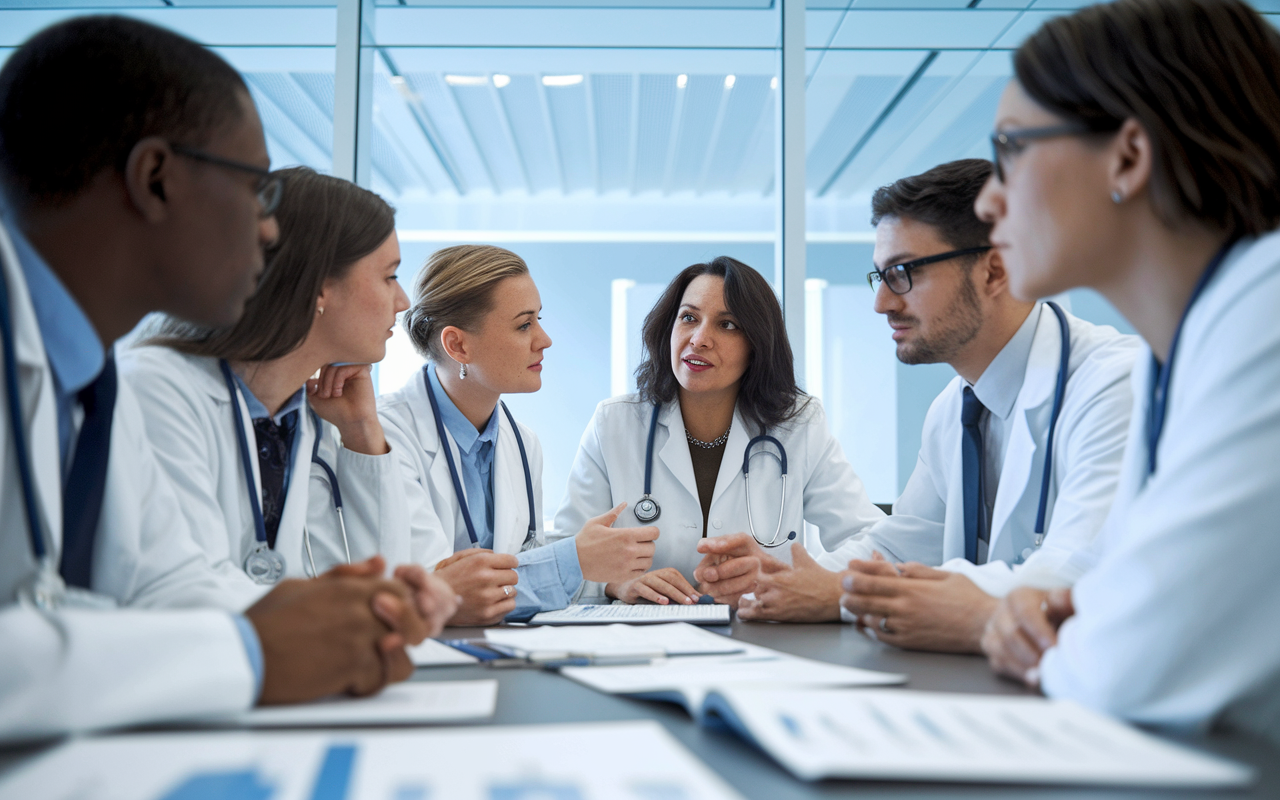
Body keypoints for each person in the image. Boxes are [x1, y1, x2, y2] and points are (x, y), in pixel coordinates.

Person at [0, 16, 454, 743]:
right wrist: (251, 651)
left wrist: (338, 614)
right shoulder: (146, 382)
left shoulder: (92, 380)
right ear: (155, 179)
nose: (268, 231)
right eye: (256, 190)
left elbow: (163, 580)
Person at [973, 0, 1280, 742]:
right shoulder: (1173, 351)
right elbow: (1102, 598)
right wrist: (1071, 618)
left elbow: (1137, 664)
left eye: (1012, 148)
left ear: (1128, 157)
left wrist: (1070, 635)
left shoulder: (1267, 309)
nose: (989, 198)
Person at [698, 160, 1138, 656]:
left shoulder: (1113, 384)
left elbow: (1070, 575)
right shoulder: (954, 409)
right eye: (880, 277)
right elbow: (902, 543)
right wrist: (796, 578)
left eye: (903, 273)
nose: (882, 302)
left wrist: (840, 594)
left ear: (995, 269)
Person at [120, 167, 415, 583]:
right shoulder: (159, 390)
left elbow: (380, 582)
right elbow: (180, 588)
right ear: (317, 287)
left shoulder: (299, 418)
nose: (402, 301)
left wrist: (362, 432)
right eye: (390, 276)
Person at [556, 256, 883, 605]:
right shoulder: (615, 424)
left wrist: (789, 580)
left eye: (727, 325)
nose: (699, 339)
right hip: (644, 638)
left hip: (762, 635)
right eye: (689, 318)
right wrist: (614, 584)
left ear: (756, 344)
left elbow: (870, 538)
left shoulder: (798, 424)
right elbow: (563, 557)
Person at [378, 245, 658, 624]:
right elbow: (434, 588)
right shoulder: (385, 437)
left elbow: (521, 572)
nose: (544, 339)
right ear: (457, 345)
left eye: (538, 320)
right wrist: (574, 559)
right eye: (524, 324)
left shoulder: (523, 445)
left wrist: (608, 582)